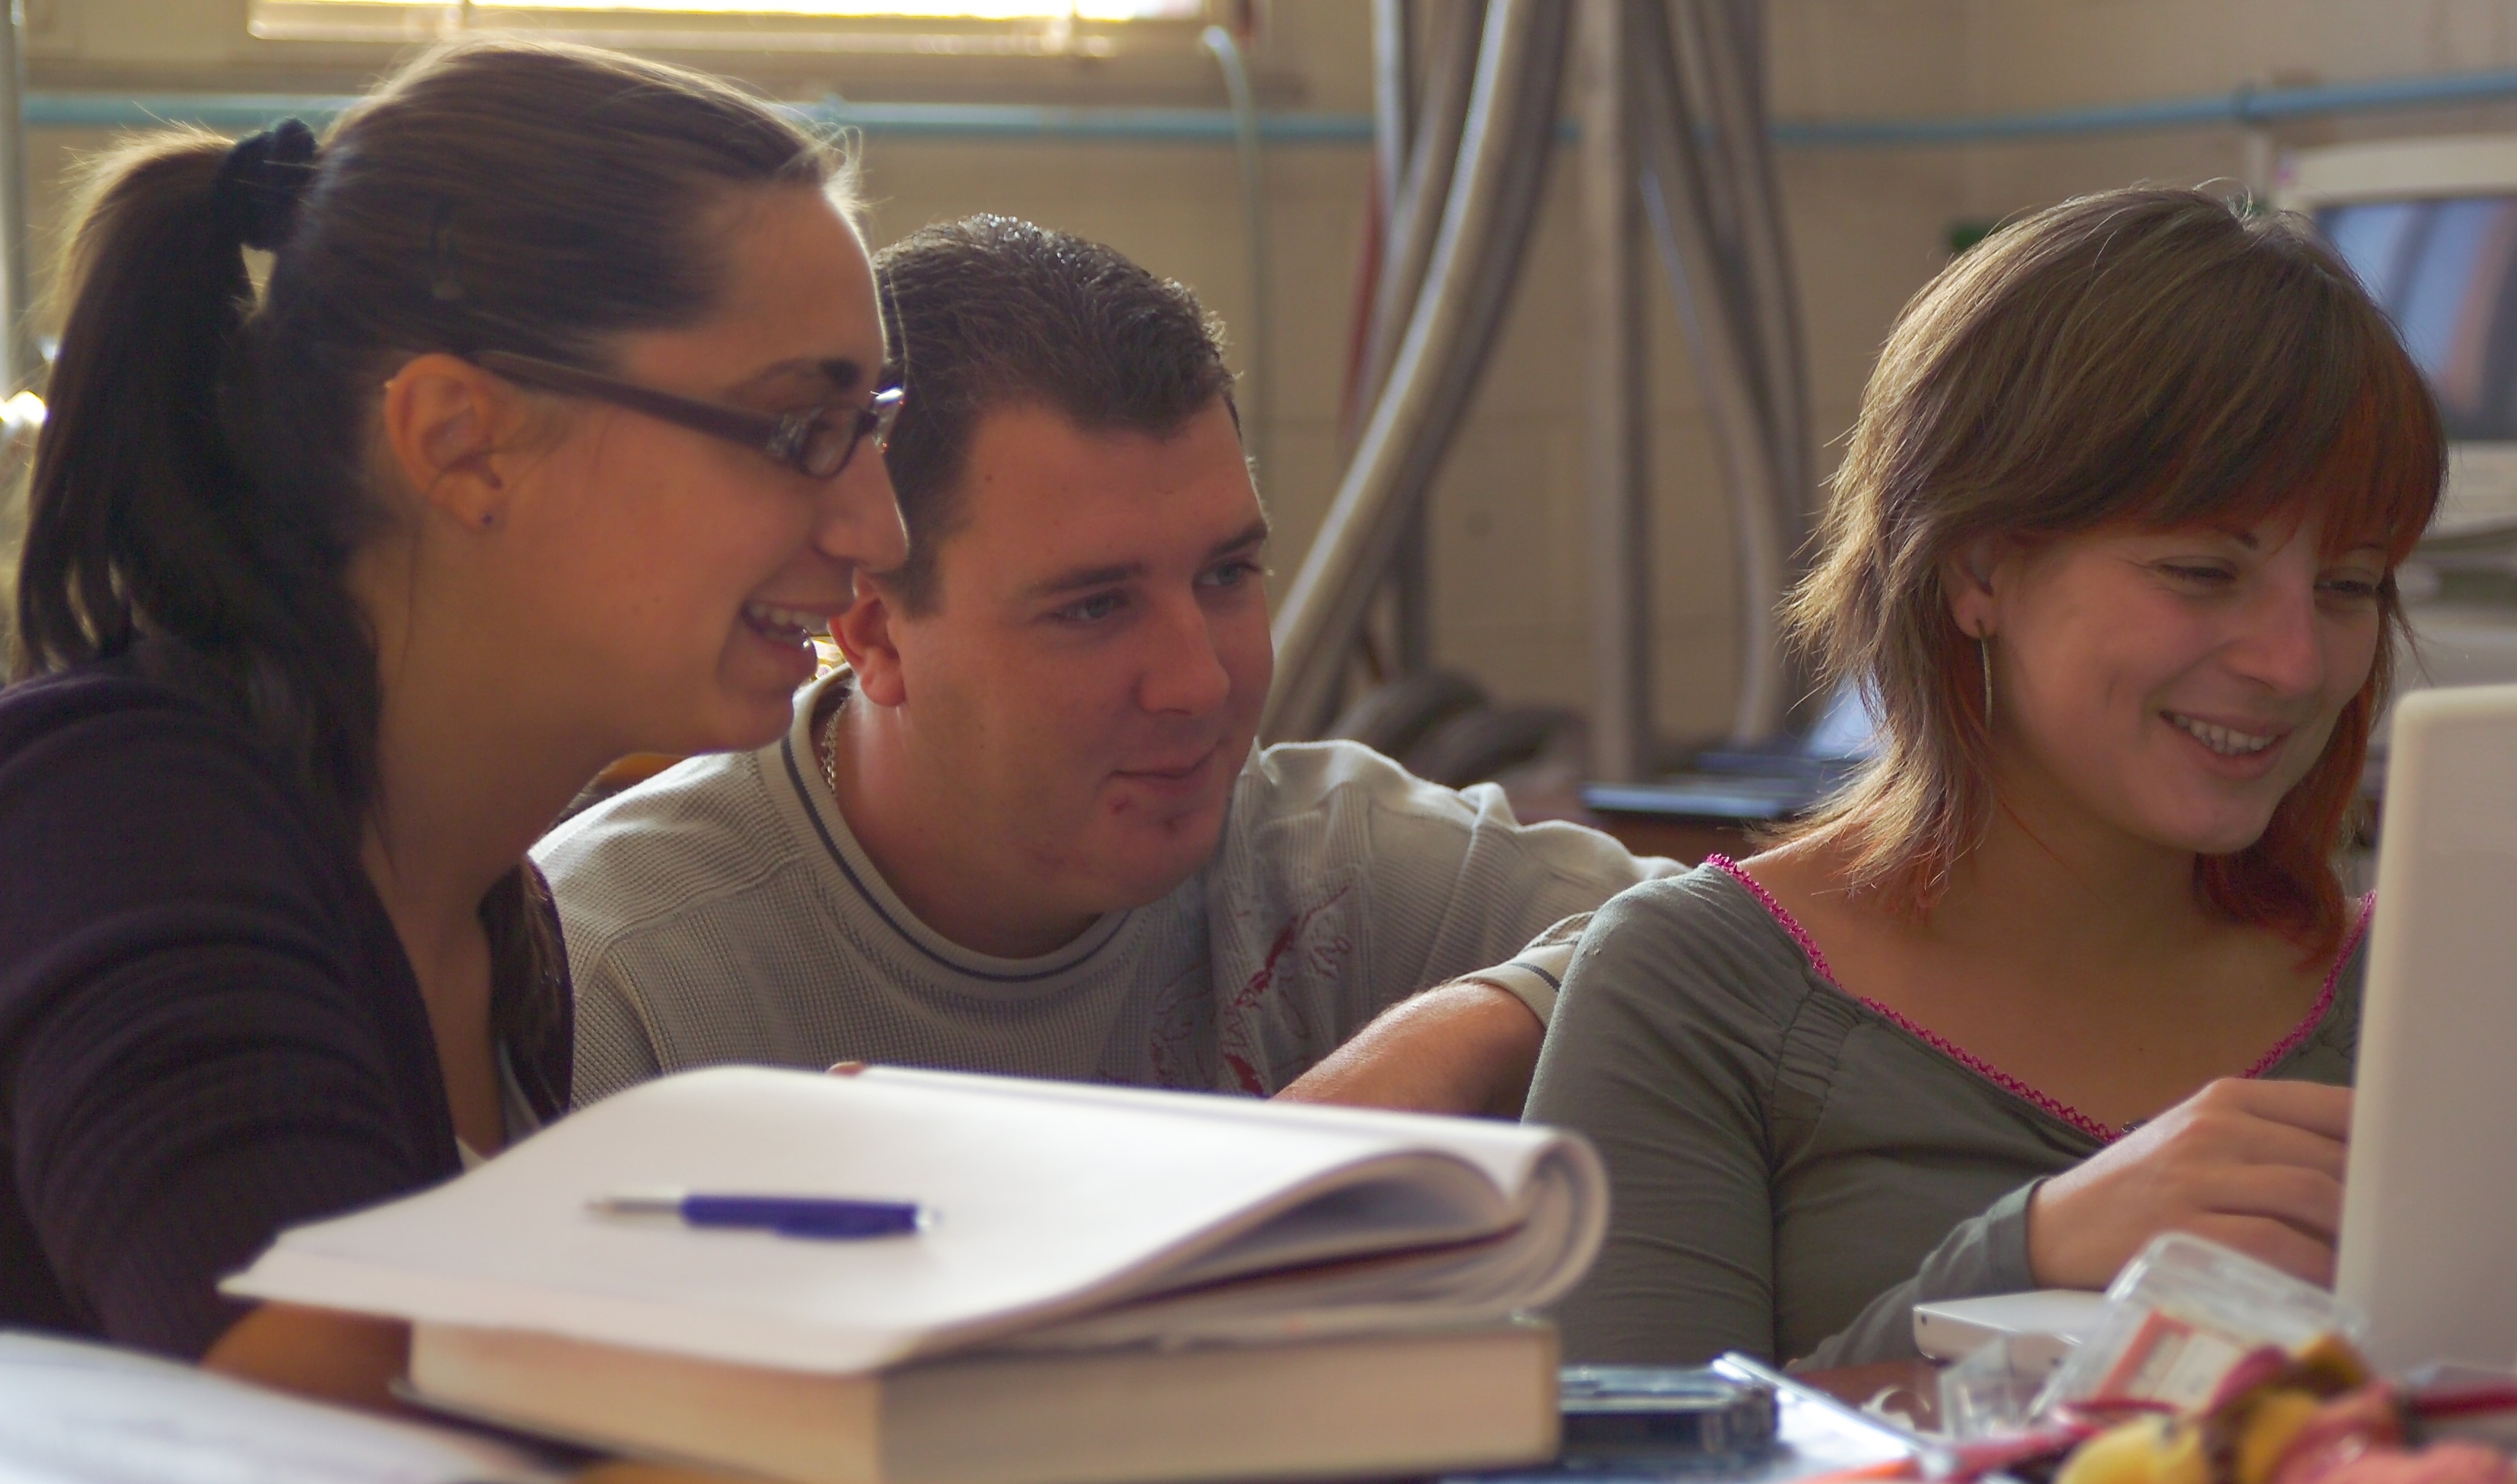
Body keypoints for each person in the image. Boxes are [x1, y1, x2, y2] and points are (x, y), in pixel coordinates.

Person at [0, 42, 908, 1405]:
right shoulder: (123, 814)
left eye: (873, 424)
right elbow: (320, 1419)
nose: (876, 527)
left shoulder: (493, 920)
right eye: (798, 428)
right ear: (461, 439)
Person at [1525, 188, 2443, 1369]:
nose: (2294, 660)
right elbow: (1632, 1460)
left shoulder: (2419, 1003)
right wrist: (2029, 1255)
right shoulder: (1695, 990)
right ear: (1979, 569)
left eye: (2350, 585)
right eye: (2203, 571)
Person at [537, 214, 1675, 1113]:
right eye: (1092, 607)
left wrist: (1471, 1023)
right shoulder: (619, 983)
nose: (1197, 682)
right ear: (875, 632)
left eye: (1226, 574)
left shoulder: (1334, 873)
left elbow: (1771, 939)